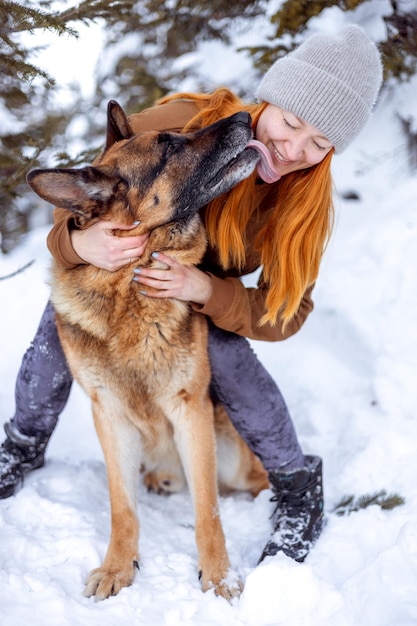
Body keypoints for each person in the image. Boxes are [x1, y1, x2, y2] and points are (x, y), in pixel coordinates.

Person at [0, 25, 382, 564]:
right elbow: (89, 189)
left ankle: (297, 485)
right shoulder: (184, 125)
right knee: (62, 328)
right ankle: (21, 444)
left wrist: (209, 291)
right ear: (268, 98)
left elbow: (287, 311)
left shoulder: (302, 206)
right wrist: (81, 244)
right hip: (120, 267)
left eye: (320, 143)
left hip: (195, 298)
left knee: (225, 353)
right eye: (291, 122)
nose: (295, 148)